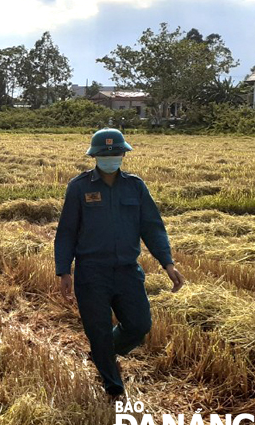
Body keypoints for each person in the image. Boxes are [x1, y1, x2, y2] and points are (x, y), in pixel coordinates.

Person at [54, 128, 185, 399]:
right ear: (95, 156)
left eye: (116, 153)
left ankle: (105, 351)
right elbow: (66, 230)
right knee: (97, 329)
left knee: (139, 324)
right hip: (91, 273)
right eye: (105, 153)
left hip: (127, 271)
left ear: (124, 154)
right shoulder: (79, 187)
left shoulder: (135, 186)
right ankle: (112, 385)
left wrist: (167, 263)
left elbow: (152, 227)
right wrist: (64, 270)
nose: (111, 157)